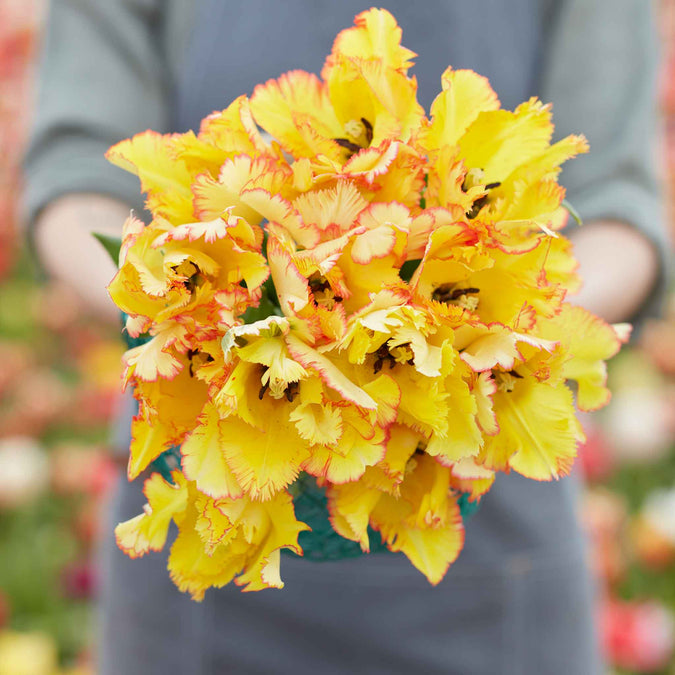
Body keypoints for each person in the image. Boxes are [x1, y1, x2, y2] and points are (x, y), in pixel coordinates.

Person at [23, 1, 668, 673]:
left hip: (484, 543)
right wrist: (186, 303)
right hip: (208, 531)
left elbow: (617, 211)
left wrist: (474, 339)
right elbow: (77, 182)